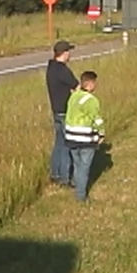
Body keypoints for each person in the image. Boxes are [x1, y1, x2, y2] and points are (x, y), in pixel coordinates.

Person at [63, 70, 105, 203]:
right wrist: (101, 133)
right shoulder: (92, 100)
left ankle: (77, 185)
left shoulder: (73, 96)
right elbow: (96, 119)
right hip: (85, 138)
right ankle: (81, 195)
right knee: (84, 167)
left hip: (71, 137)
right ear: (91, 84)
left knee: (77, 164)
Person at [45, 40, 78, 186]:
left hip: (56, 110)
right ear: (64, 53)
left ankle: (55, 173)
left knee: (58, 142)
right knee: (66, 144)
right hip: (65, 111)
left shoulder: (51, 68)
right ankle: (65, 177)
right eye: (68, 51)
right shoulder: (63, 70)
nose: (70, 54)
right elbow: (76, 86)